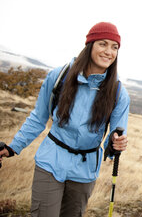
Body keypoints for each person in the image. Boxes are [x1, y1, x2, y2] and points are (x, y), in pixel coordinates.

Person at [0, 22, 130, 217]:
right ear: (90, 45)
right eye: (103, 44)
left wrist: (117, 143)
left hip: (85, 171)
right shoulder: (58, 77)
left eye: (114, 47)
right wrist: (13, 148)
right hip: (50, 161)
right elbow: (38, 118)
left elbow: (117, 134)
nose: (109, 52)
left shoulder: (119, 93)